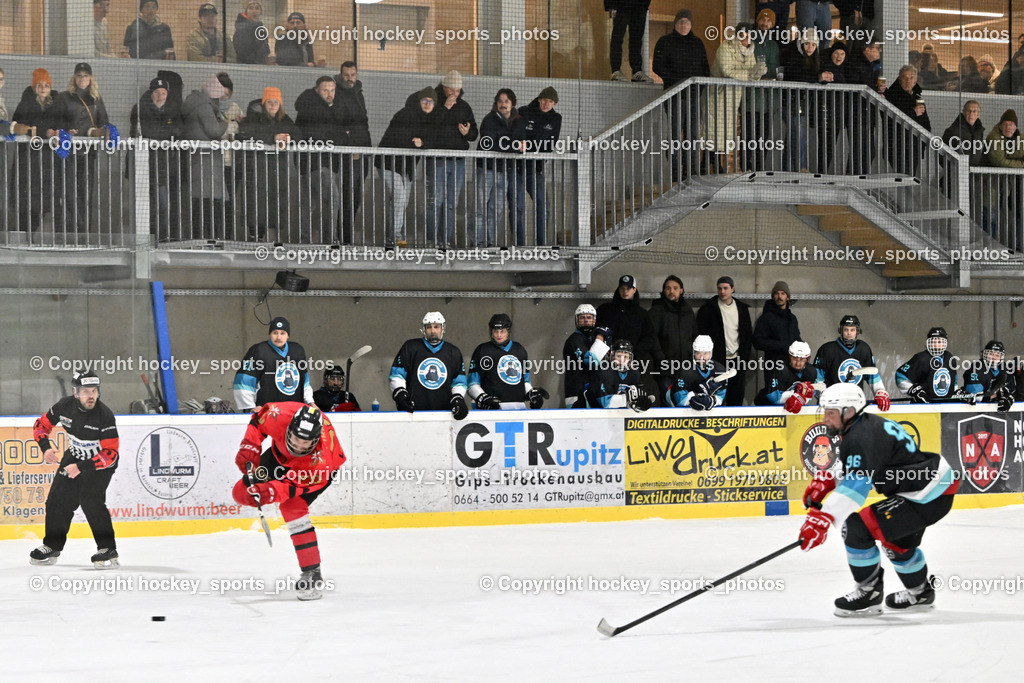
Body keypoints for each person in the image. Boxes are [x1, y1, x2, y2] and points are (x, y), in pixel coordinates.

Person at [799, 383, 958, 616]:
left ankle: (868, 593)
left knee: (856, 528)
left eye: (831, 413)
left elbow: (855, 489)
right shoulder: (864, 427)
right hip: (932, 487)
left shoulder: (860, 436)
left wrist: (822, 518)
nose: (825, 419)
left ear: (849, 411)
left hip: (925, 494)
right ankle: (920, 593)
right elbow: (859, 466)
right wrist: (829, 479)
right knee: (896, 542)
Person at [233, 403, 345, 600]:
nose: (299, 446)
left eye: (306, 443)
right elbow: (257, 420)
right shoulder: (278, 417)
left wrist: (269, 491)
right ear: (290, 429)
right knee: (241, 493)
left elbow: (290, 487)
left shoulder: (322, 461)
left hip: (312, 473)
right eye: (296, 439)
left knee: (291, 506)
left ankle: (312, 572)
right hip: (278, 458)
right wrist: (250, 446)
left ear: (316, 440)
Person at [29, 372, 120, 569]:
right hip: (74, 457)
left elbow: (110, 454)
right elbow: (40, 426)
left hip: (99, 464)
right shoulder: (64, 406)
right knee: (56, 500)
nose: (91, 396)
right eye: (86, 391)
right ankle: (52, 546)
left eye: (94, 391)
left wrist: (81, 467)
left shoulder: (104, 416)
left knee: (90, 500)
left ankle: (107, 548)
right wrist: (46, 448)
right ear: (76, 393)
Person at [52, 63, 111, 236]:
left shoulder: (96, 99)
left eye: (85, 75)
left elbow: (104, 122)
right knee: (68, 193)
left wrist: (100, 132)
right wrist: (66, 130)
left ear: (90, 78)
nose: (82, 79)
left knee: (85, 193)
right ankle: (67, 232)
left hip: (87, 154)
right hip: (67, 153)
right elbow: (54, 121)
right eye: (79, 75)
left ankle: (84, 232)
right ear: (74, 78)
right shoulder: (64, 97)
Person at [376, 87, 437, 247]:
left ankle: (394, 236)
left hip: (407, 169)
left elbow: (432, 140)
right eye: (425, 101)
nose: (427, 104)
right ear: (419, 101)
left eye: (431, 102)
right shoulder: (405, 114)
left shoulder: (430, 121)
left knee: (402, 201)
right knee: (400, 197)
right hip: (388, 163)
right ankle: (395, 237)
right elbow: (398, 138)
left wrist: (422, 143)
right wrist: (414, 142)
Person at [653, 10, 710, 180]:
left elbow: (705, 70)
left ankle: (690, 169)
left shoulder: (698, 44)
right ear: (675, 24)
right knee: (675, 134)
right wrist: (678, 81)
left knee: (693, 135)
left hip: (693, 98)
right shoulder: (665, 42)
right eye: (680, 22)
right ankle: (675, 170)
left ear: (691, 24)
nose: (683, 25)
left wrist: (698, 89)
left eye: (686, 22)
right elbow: (658, 66)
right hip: (674, 96)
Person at [237, 87, 300, 241]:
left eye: (276, 102)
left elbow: (298, 135)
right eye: (270, 102)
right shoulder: (253, 118)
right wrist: (273, 137)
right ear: (264, 103)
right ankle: (254, 236)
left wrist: (289, 138)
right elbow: (246, 134)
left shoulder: (285, 120)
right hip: (257, 170)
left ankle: (270, 239)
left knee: (274, 205)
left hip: (277, 172)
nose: (273, 105)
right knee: (256, 206)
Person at [423, 70, 477, 248]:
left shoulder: (464, 106)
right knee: (434, 202)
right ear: (443, 87)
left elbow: (474, 133)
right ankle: (431, 240)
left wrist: (467, 132)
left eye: (458, 90)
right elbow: (428, 125)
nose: (455, 94)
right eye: (451, 90)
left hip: (458, 161)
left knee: (451, 203)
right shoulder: (434, 102)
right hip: (437, 159)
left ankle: (445, 240)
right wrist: (445, 107)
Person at [182, 72, 234, 239]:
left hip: (201, 162)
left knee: (202, 204)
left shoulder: (196, 103)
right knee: (207, 205)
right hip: (207, 163)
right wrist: (225, 124)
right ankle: (208, 240)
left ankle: (203, 239)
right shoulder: (204, 106)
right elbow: (213, 130)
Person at [389, 312, 468, 419]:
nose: (433, 331)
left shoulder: (453, 352)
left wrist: (458, 398)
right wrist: (400, 394)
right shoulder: (411, 347)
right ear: (424, 329)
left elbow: (459, 382)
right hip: (414, 413)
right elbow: (397, 375)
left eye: (436, 327)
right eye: (429, 327)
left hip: (444, 414)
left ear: (443, 328)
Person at [708, 23, 765, 173]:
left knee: (726, 132)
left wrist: (758, 72)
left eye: (748, 36)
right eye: (742, 35)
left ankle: (717, 164)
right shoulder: (725, 48)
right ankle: (711, 163)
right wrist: (750, 74)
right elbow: (728, 71)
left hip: (734, 96)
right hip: (718, 94)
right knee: (714, 130)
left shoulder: (749, 50)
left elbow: (752, 71)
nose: (745, 39)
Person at [134, 77, 184, 241]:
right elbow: (146, 132)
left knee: (165, 205)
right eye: (157, 92)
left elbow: (179, 131)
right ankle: (145, 239)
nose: (160, 96)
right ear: (151, 93)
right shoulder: (140, 109)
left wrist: (163, 133)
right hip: (144, 166)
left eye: (163, 93)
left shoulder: (174, 110)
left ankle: (163, 238)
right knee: (145, 206)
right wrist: (166, 133)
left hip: (166, 167)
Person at [12, 68, 61, 232]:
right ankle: (25, 237)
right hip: (27, 162)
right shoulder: (26, 103)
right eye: (39, 85)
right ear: (34, 87)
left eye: (46, 85)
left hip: (46, 163)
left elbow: (61, 123)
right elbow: (20, 124)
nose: (43, 88)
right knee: (27, 203)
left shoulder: (56, 104)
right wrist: (44, 132)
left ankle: (36, 237)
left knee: (41, 204)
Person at [476, 88, 526, 247]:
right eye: (500, 101)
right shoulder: (489, 120)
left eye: (506, 101)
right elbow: (490, 144)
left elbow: (522, 143)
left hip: (505, 170)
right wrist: (513, 146)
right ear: (496, 103)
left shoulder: (518, 120)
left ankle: (490, 243)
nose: (503, 104)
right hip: (487, 169)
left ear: (512, 103)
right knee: (480, 207)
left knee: (496, 209)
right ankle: (477, 242)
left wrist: (515, 146)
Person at [294, 76, 340, 243]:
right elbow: (322, 134)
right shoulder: (314, 108)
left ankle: (304, 239)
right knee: (333, 199)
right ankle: (330, 240)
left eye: (332, 90)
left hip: (311, 163)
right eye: (325, 90)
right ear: (317, 90)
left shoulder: (313, 105)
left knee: (309, 203)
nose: (329, 94)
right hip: (318, 163)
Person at [233, 316, 315, 411]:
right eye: (275, 333)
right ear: (270, 334)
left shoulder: (298, 350)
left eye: (282, 333)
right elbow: (243, 380)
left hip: (293, 411)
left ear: (288, 335)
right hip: (266, 413)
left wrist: (310, 402)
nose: (278, 337)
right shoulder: (258, 350)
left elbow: (304, 381)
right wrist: (251, 407)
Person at [597, 274, 662, 390]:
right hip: (607, 362)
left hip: (633, 363)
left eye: (628, 288)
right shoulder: (604, 311)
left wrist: (633, 354)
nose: (625, 291)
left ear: (634, 290)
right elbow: (597, 333)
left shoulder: (642, 314)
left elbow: (649, 338)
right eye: (622, 288)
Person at [696, 276, 753, 406]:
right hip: (716, 360)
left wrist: (744, 355)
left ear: (733, 289)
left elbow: (747, 334)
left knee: (736, 396)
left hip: (737, 359)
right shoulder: (708, 309)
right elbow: (701, 333)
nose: (722, 291)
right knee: (716, 396)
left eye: (726, 288)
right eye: (720, 288)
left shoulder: (742, 309)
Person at [467, 314, 544, 409]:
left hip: (518, 409)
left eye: (502, 331)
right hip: (490, 411)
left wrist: (531, 393)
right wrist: (484, 398)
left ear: (508, 331)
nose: (499, 335)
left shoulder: (519, 350)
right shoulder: (482, 350)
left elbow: (525, 381)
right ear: (491, 331)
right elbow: (472, 384)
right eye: (495, 331)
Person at [813, 314, 889, 410]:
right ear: (840, 331)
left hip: (856, 404)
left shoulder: (863, 349)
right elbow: (817, 379)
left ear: (857, 332)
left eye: (852, 330)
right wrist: (825, 396)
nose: (849, 333)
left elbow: (872, 375)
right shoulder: (827, 349)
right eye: (846, 330)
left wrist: (880, 392)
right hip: (831, 405)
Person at [334, 62, 372, 245]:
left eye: (353, 74)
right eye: (346, 75)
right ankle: (343, 237)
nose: (350, 78)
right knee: (347, 196)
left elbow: (363, 123)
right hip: (349, 153)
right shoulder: (339, 94)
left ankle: (346, 237)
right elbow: (341, 124)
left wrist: (365, 149)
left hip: (362, 151)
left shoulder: (358, 93)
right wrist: (351, 147)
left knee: (356, 195)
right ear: (341, 75)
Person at [521, 86, 562, 245]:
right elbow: (520, 137)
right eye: (545, 100)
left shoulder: (556, 118)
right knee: (518, 207)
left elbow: (549, 144)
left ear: (554, 104)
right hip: (516, 168)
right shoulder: (524, 112)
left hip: (535, 169)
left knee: (543, 207)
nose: (547, 104)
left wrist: (531, 145)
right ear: (539, 99)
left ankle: (541, 245)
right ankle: (519, 245)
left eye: (551, 101)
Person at [648, 275, 696, 397]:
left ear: (681, 290)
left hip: (686, 367)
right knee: (666, 400)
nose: (671, 291)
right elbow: (651, 337)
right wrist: (661, 359)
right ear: (664, 291)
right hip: (664, 369)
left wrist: (692, 357)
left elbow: (694, 335)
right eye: (668, 288)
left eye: (675, 288)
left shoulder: (687, 310)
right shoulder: (656, 310)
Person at [780, 29, 821, 172]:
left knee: (793, 135)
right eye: (807, 44)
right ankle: (802, 167)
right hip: (788, 102)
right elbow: (797, 75)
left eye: (813, 45)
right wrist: (818, 78)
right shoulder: (791, 54)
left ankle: (786, 170)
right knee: (798, 133)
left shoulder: (814, 59)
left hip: (800, 103)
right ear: (801, 43)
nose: (810, 48)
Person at [894, 327, 970, 404]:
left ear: (945, 343)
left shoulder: (950, 358)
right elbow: (900, 375)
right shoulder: (921, 358)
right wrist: (915, 391)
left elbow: (953, 382)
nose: (936, 345)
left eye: (939, 342)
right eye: (933, 342)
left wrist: (957, 393)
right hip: (924, 407)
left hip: (946, 406)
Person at [746, 8, 781, 171]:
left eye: (768, 21)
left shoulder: (774, 45)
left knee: (765, 136)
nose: (765, 23)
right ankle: (746, 168)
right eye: (763, 20)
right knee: (748, 137)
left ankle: (759, 169)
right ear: (757, 21)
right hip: (750, 99)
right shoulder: (749, 39)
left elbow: (775, 68)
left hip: (768, 101)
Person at [885, 65, 931, 178]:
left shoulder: (917, 96)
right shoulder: (892, 95)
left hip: (915, 147)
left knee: (910, 178)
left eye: (911, 78)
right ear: (899, 79)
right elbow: (892, 118)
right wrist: (913, 112)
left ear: (915, 80)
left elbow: (925, 122)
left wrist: (923, 143)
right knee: (901, 178)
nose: (908, 81)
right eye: (905, 77)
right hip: (898, 147)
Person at [845, 41, 884, 174]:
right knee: (859, 151)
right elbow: (861, 86)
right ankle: (853, 181)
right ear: (867, 49)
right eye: (877, 48)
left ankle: (860, 179)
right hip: (857, 114)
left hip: (868, 114)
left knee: (869, 151)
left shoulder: (872, 66)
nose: (880, 51)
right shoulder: (856, 64)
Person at [581, 339, 652, 410]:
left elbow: (638, 395)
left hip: (616, 414)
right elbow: (605, 403)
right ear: (612, 356)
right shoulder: (603, 371)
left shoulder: (634, 373)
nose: (622, 360)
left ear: (630, 358)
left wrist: (639, 402)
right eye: (618, 356)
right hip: (589, 414)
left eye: (626, 357)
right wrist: (628, 399)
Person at [753, 280, 801, 382]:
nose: (779, 296)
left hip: (792, 365)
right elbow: (758, 342)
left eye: (783, 293)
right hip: (773, 365)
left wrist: (802, 347)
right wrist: (782, 345)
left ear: (787, 297)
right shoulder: (766, 318)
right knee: (773, 395)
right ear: (773, 296)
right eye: (776, 293)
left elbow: (796, 338)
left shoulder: (792, 318)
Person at [754, 341, 822, 411]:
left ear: (807, 359)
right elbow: (773, 397)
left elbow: (810, 394)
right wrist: (796, 396)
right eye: (795, 359)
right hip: (767, 406)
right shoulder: (781, 369)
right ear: (790, 357)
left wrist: (800, 399)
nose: (798, 363)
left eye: (802, 360)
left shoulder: (812, 371)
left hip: (793, 406)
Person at [562, 304, 606, 408]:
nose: (586, 320)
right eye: (582, 317)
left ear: (594, 320)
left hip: (593, 391)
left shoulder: (592, 340)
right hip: (576, 392)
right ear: (576, 320)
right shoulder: (574, 340)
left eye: (589, 317)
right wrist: (600, 338)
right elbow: (591, 361)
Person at [668, 336, 728, 410]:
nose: (702, 357)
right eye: (698, 353)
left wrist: (712, 401)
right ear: (694, 352)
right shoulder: (684, 371)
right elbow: (680, 401)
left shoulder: (720, 370)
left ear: (711, 353)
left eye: (705, 353)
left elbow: (721, 397)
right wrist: (696, 396)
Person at [606, 0, 652, 82]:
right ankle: (615, 70)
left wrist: (646, 4)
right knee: (618, 36)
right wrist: (611, 5)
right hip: (621, 5)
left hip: (640, 5)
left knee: (637, 38)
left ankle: (637, 71)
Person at [963, 341, 1015, 412]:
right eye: (991, 354)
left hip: (994, 414)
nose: (993, 357)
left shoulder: (1005, 369)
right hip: (971, 411)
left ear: (1001, 357)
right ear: (984, 354)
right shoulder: (976, 368)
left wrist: (1009, 398)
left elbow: (1012, 389)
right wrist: (997, 395)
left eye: (997, 355)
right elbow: (977, 397)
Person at [942, 100, 986, 167]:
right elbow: (942, 153)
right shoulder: (953, 130)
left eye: (974, 111)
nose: (971, 113)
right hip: (956, 172)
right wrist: (952, 168)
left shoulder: (979, 132)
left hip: (973, 174)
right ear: (964, 112)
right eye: (969, 111)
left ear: (978, 115)